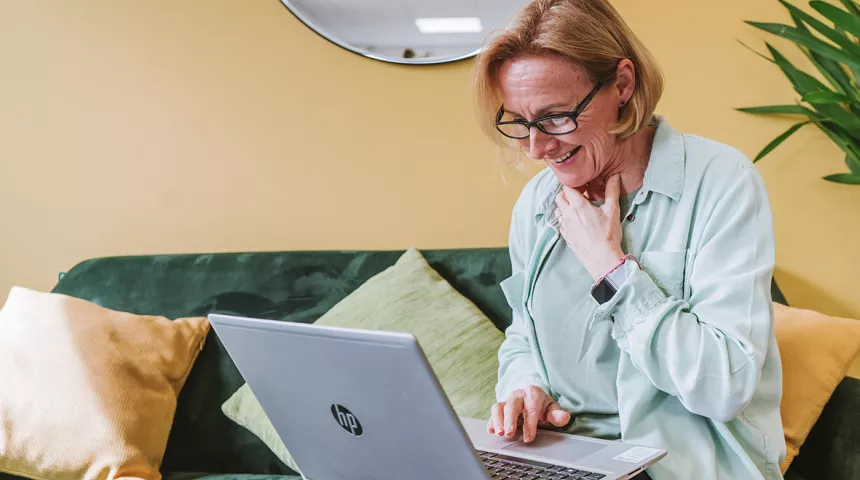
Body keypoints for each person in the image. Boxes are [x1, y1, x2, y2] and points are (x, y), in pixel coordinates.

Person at [472, 1, 785, 479]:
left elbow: (726, 384)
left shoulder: (722, 182)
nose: (537, 149)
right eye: (518, 122)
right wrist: (524, 387)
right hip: (563, 461)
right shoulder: (538, 201)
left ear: (622, 84)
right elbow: (524, 337)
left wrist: (612, 270)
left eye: (556, 117)